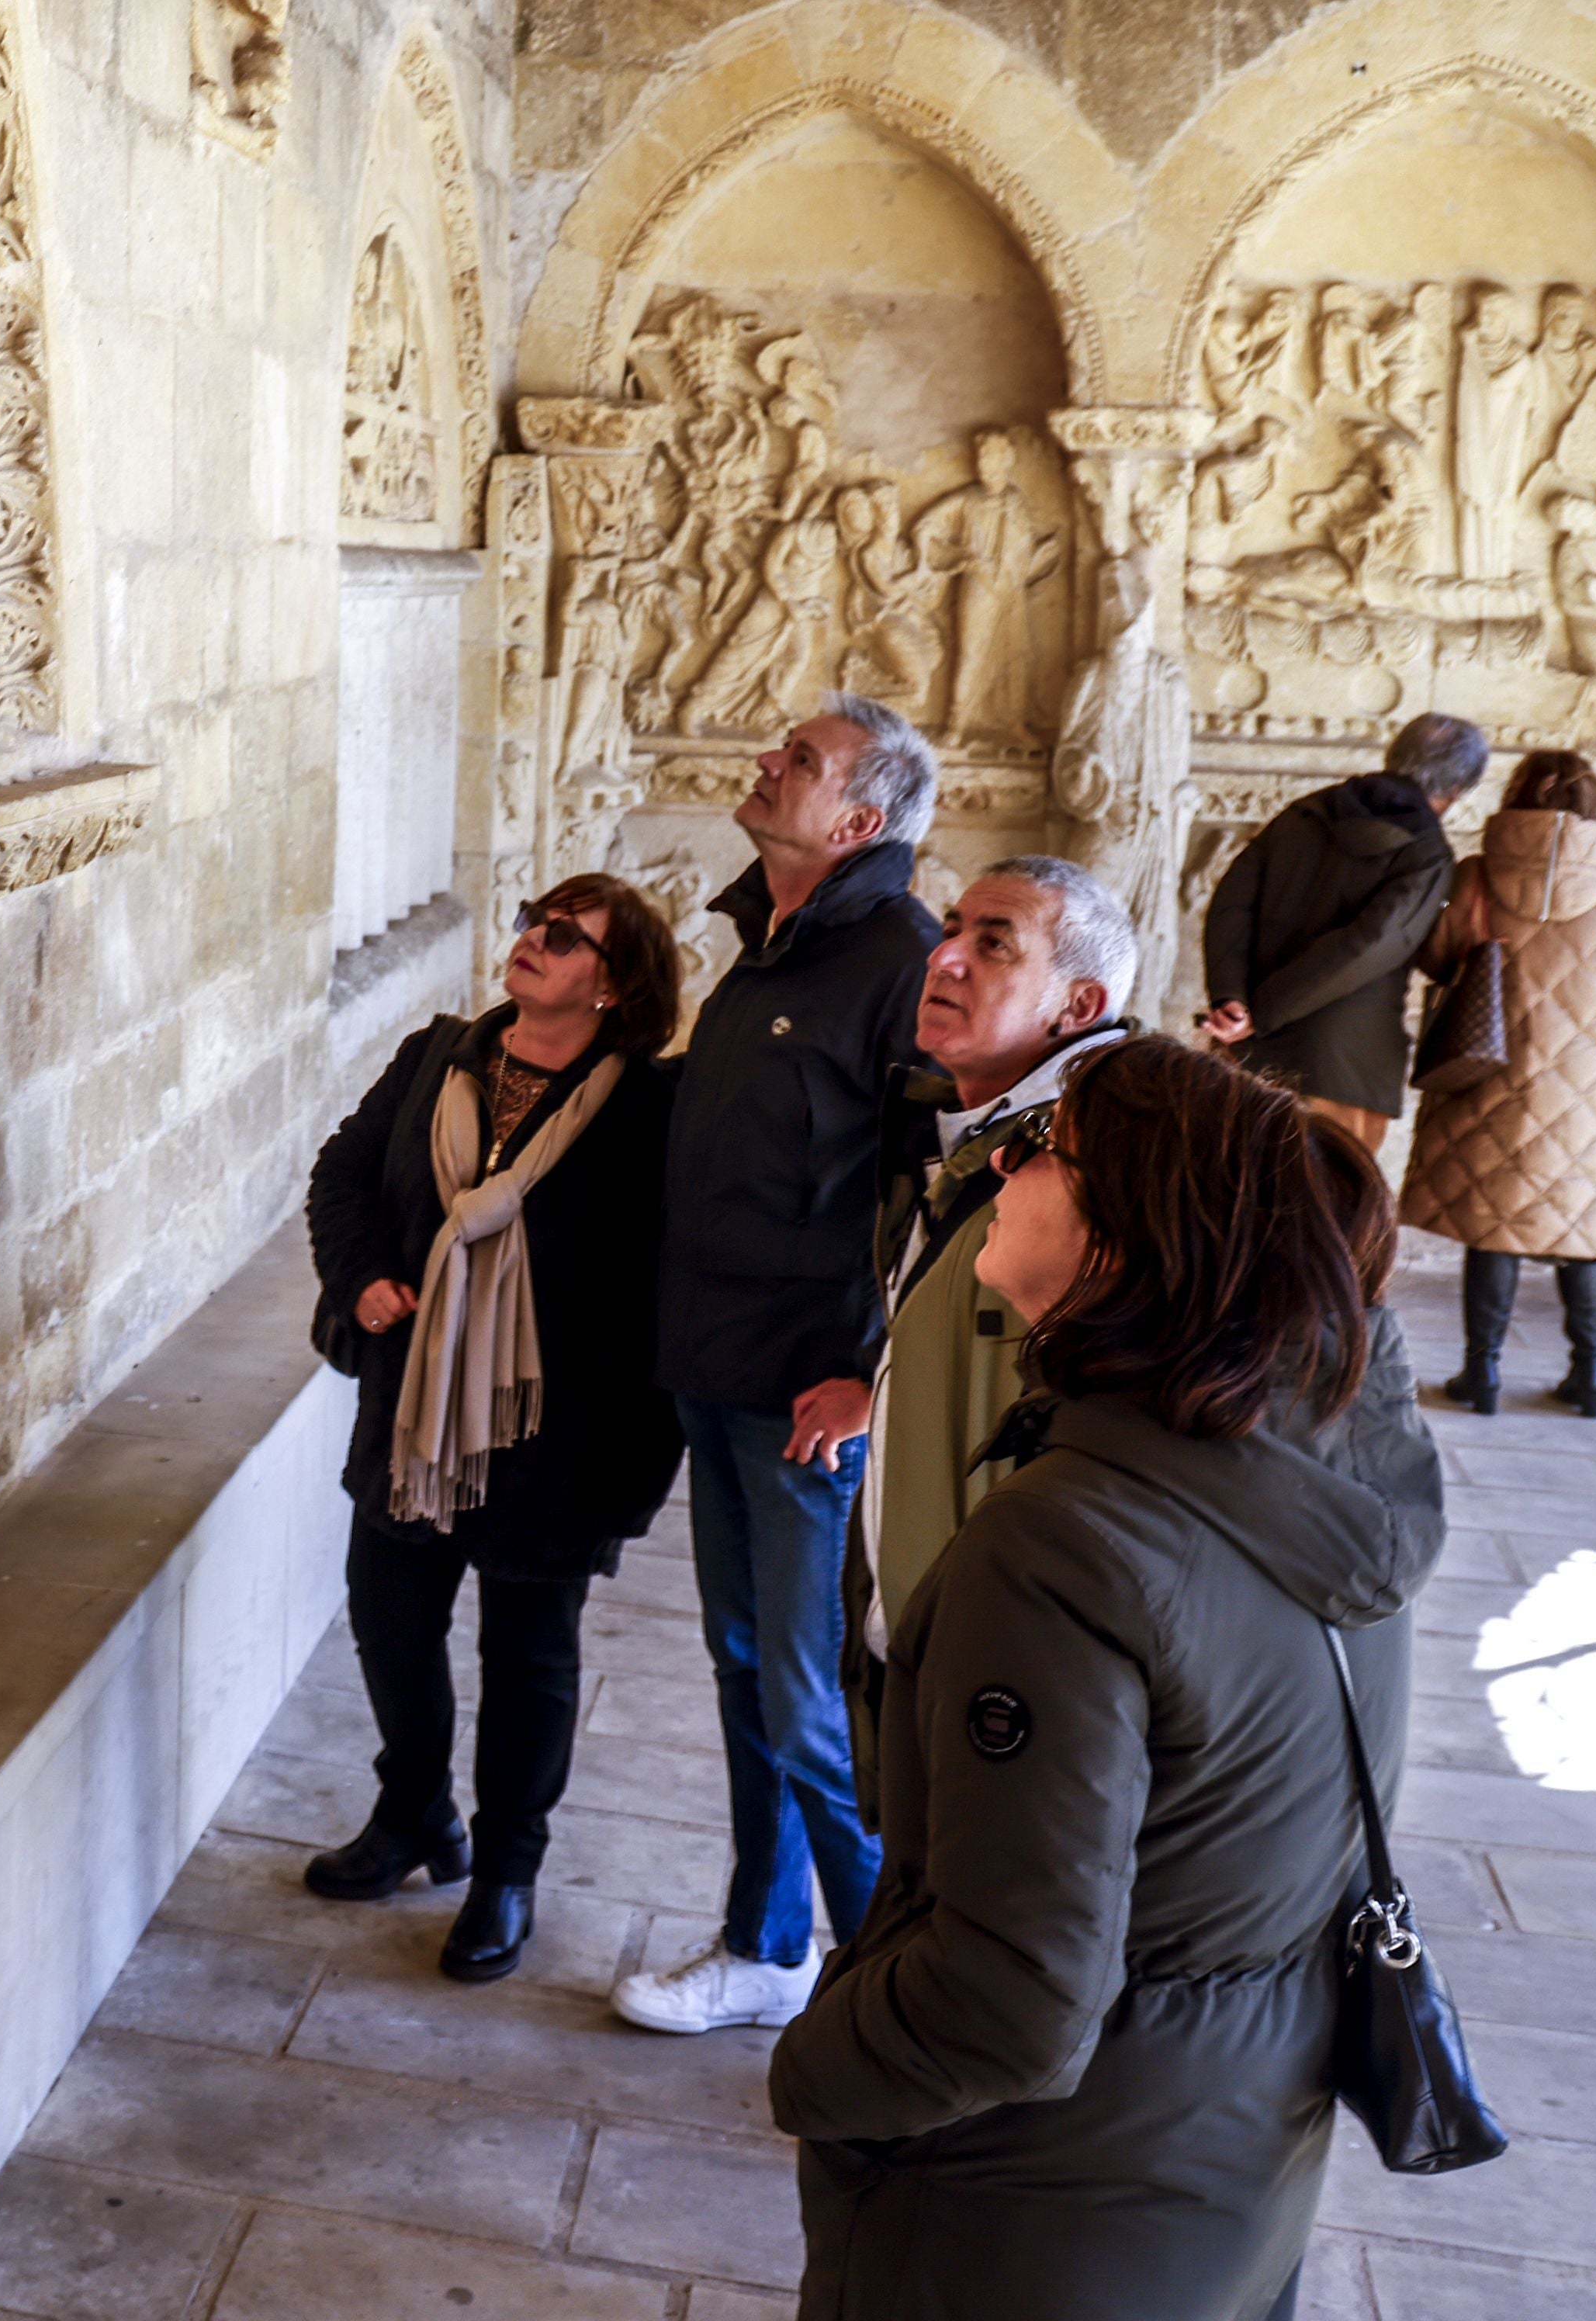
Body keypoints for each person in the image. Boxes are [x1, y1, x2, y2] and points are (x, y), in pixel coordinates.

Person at [768, 1039, 1447, 2319]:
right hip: (1224, 2149)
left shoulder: (1064, 1550)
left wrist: (817, 2071)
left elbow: (1008, 1999)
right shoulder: (1316, 1474)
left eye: (1046, 1149)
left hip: (1031, 2208)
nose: (1005, 1169)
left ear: (1122, 1238)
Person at [611, 698, 943, 2036]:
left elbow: (935, 1192)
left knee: (811, 1705)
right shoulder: (767, 942)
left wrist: (869, 1370)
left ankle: (890, 2000)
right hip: (716, 1362)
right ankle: (766, 1942)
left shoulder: (899, 962)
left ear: (857, 819)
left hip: (811, 1392)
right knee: (742, 1663)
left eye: (796, 762)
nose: (765, 764)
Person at [303, 878, 686, 1983]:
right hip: (413, 1414)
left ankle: (508, 1870)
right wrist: (366, 1274)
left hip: (550, 1435)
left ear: (611, 986)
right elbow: (342, 1171)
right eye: (533, 920)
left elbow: (656, 1281)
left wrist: (636, 1452)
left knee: (527, 1661)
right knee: (389, 1626)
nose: (531, 943)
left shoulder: (647, 1110)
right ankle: (416, 1815)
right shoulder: (441, 1057)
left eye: (564, 938)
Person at [838, 857, 1139, 1775]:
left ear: (1076, 1005)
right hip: (923, 1638)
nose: (946, 956)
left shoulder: (1096, 1176)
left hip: (1006, 1692)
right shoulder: (957, 1133)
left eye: (993, 942)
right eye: (954, 926)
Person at [1404, 750, 1596, 1418]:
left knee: (1494, 1225)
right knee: (1588, 1230)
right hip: (1589, 1090)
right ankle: (1590, 1377)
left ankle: (1481, 1374)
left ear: (1514, 799)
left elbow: (1435, 958)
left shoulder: (1475, 881)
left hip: (1493, 1077)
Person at [1198, 711, 1487, 1156]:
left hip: (1245, 1057)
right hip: (1342, 1072)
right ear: (1457, 791)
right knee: (1325, 1218)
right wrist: (1262, 1012)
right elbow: (1366, 948)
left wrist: (1232, 1000)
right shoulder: (1428, 856)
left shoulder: (1306, 812)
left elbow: (1232, 904)